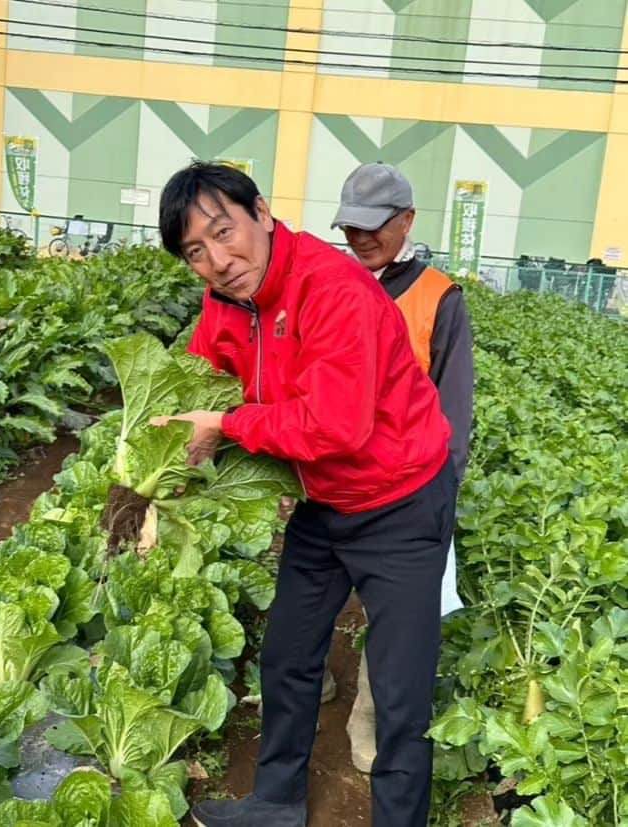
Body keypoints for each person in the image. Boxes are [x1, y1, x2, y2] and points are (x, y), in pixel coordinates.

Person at [153, 162, 457, 827]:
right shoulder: (226, 299)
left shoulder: (331, 286)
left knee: (401, 694)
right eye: (194, 252)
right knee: (288, 656)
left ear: (260, 212)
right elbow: (201, 380)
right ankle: (277, 801)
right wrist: (153, 459)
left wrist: (228, 426)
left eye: (223, 231)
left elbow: (335, 424)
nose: (217, 260)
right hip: (322, 503)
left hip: (400, 502)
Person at [330, 161, 474, 774]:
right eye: (350, 227)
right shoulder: (329, 283)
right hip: (327, 478)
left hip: (402, 490)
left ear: (407, 221)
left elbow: (453, 409)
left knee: (390, 615)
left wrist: (435, 500)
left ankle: (365, 718)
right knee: (314, 596)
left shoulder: (437, 298)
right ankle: (314, 688)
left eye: (374, 227)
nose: (360, 239)